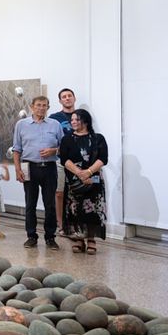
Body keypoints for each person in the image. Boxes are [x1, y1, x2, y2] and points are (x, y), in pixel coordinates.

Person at [13, 95, 64, 250]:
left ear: (48, 107)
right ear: (32, 107)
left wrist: (53, 150)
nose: (41, 108)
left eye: (44, 105)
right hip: (29, 167)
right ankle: (31, 236)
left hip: (49, 168)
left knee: (50, 205)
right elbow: (17, 149)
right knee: (30, 204)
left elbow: (64, 147)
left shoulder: (55, 125)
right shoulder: (21, 125)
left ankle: (50, 237)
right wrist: (18, 169)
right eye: (38, 105)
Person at [61, 109, 108, 255]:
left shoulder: (98, 138)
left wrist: (88, 172)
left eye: (77, 119)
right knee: (75, 210)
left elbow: (103, 159)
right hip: (74, 180)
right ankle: (78, 238)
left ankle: (91, 239)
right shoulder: (67, 139)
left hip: (93, 179)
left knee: (92, 210)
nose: (73, 122)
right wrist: (79, 173)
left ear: (86, 121)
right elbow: (64, 159)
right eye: (72, 120)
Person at [50, 88, 78, 236]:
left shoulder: (81, 115)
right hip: (60, 160)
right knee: (59, 193)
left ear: (74, 98)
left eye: (69, 96)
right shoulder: (54, 118)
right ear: (60, 101)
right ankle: (60, 225)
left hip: (78, 161)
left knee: (76, 193)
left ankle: (76, 224)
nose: (67, 98)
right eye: (64, 97)